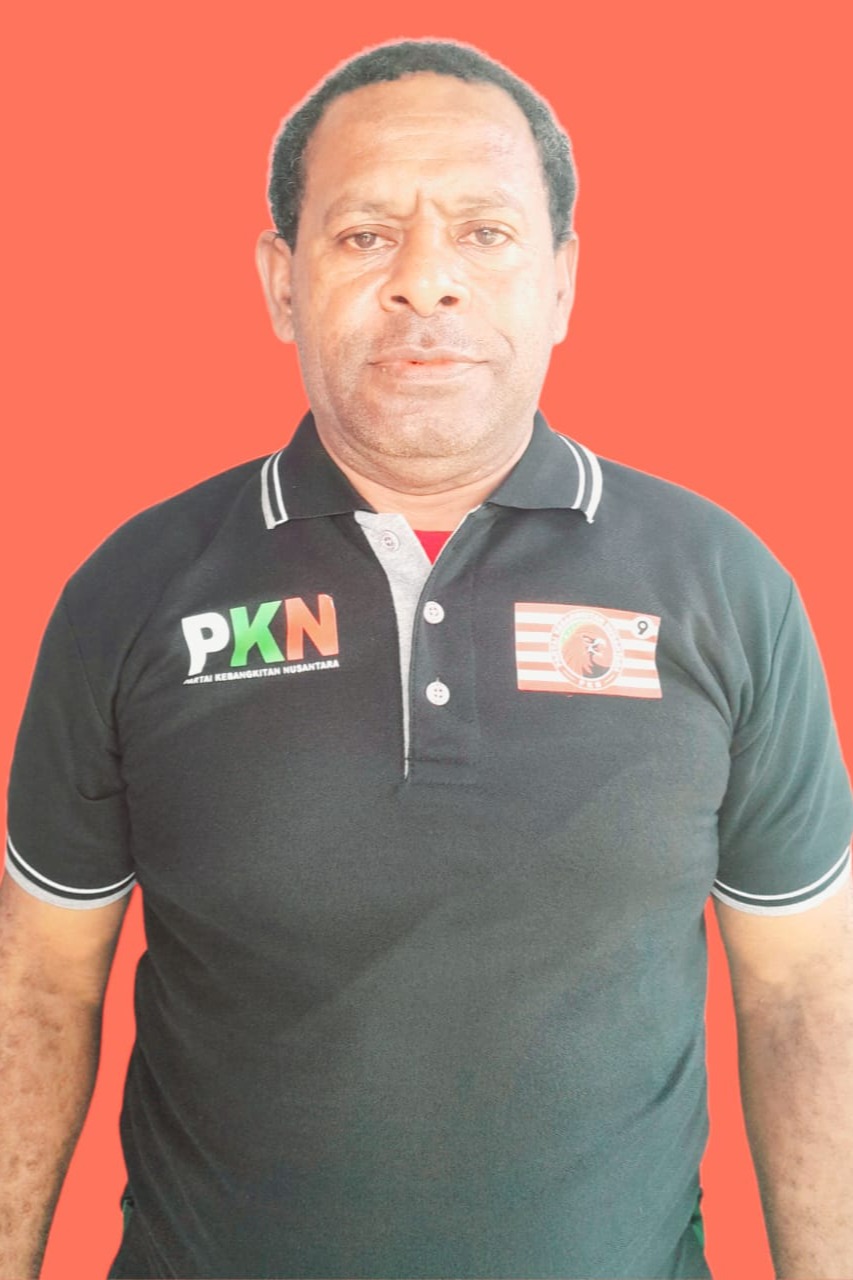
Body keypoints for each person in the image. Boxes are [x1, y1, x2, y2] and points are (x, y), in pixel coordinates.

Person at [1, 37, 852, 1280]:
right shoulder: (133, 589)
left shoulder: (723, 585)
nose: (424, 282)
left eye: (484, 232)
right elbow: (37, 982)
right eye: (364, 235)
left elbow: (804, 991)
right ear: (281, 282)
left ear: (561, 282)